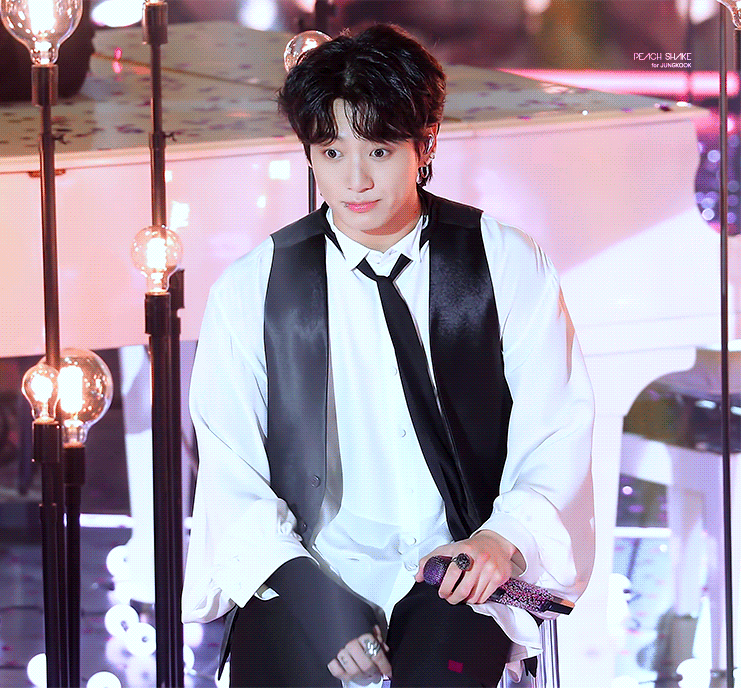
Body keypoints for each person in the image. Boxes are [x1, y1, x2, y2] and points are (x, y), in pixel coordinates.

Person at [183, 24, 595, 688]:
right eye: (331, 151)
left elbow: (556, 429)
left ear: (425, 143)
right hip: (307, 564)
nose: (354, 179)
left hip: (458, 565)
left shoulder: (505, 262)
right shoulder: (254, 286)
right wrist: (311, 595)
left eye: (378, 149)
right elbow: (230, 469)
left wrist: (501, 538)